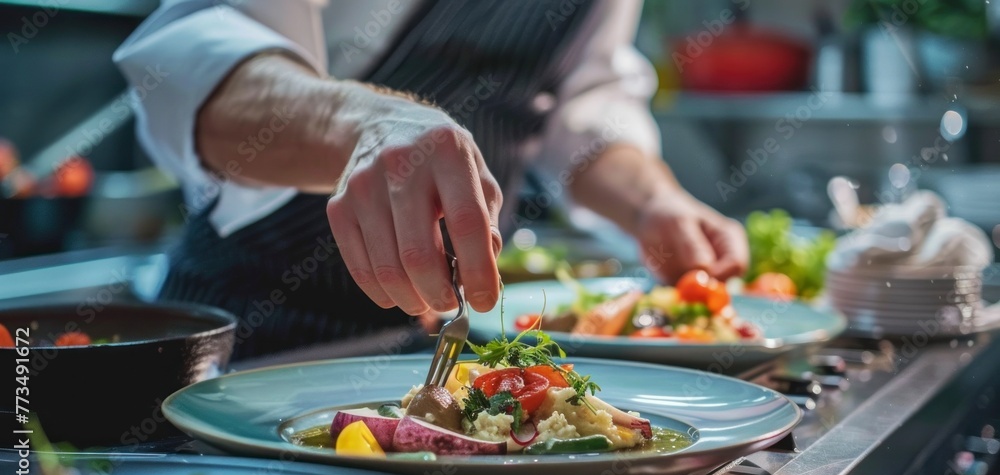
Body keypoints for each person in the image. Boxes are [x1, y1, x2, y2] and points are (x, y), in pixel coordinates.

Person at [113, 0, 748, 361]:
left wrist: (653, 204)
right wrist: (365, 124)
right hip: (253, 343)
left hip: (441, 351)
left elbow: (584, 111)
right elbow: (189, 65)